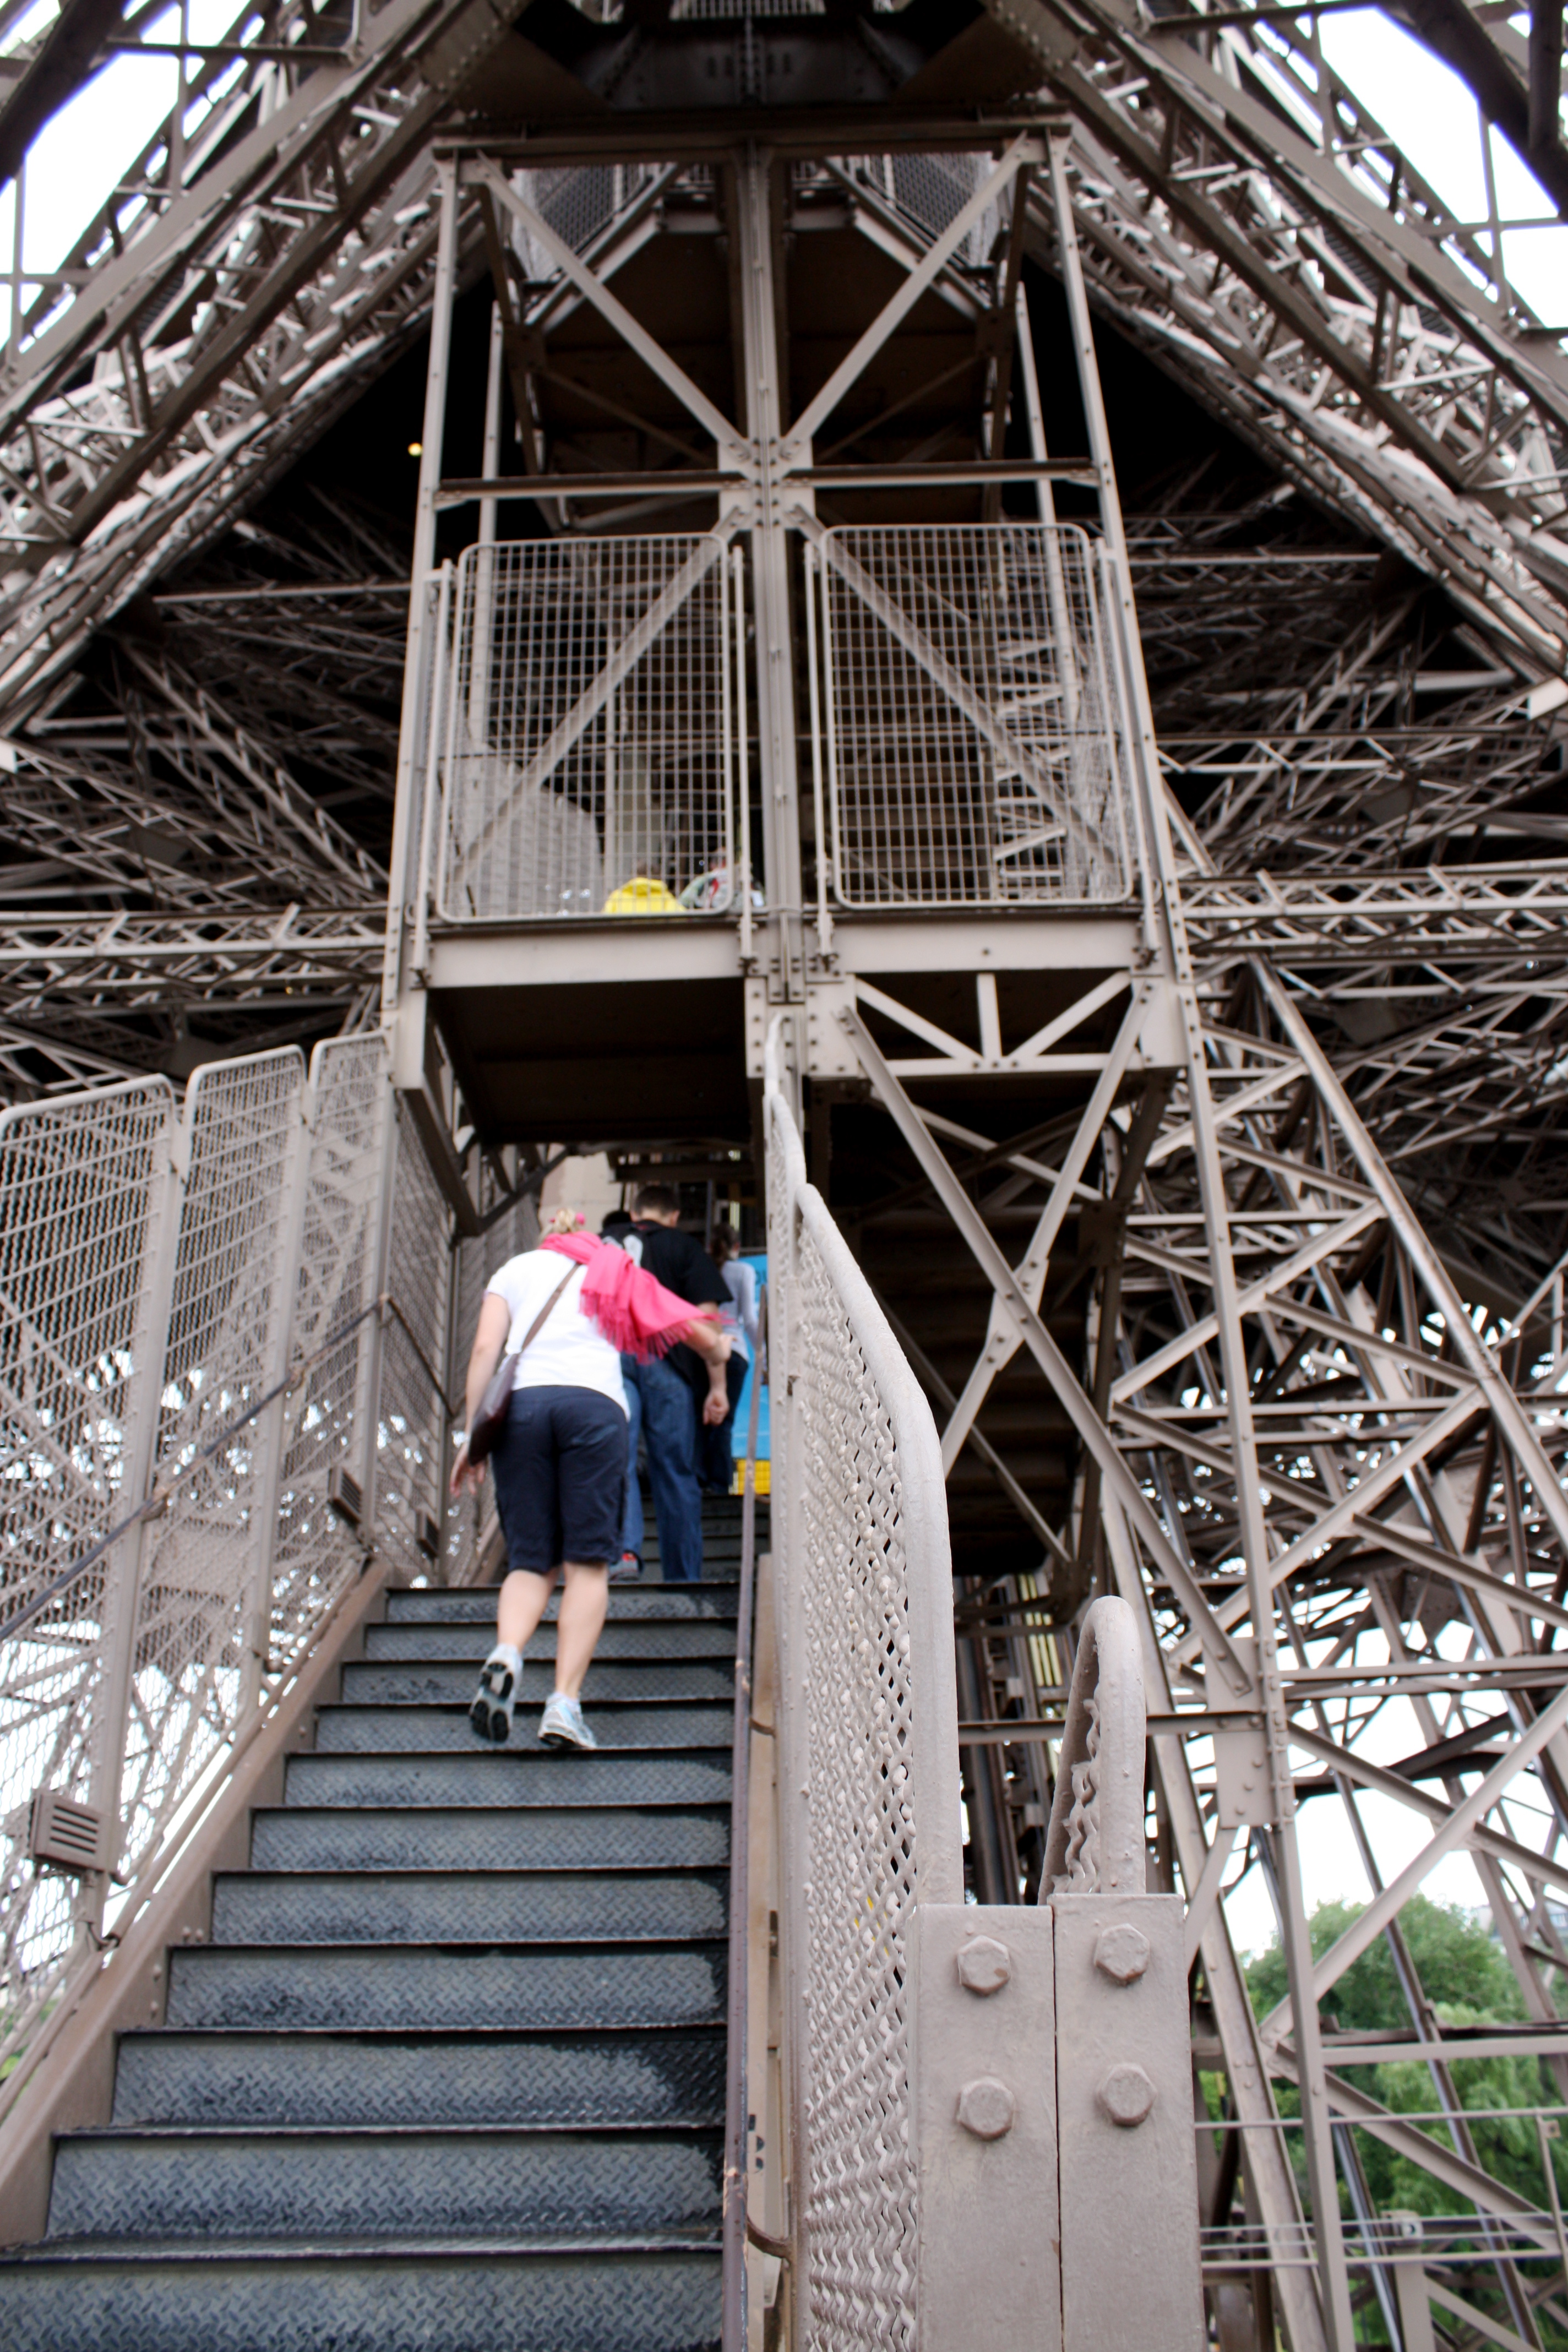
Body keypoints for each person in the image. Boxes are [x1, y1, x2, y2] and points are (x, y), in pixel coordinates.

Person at [451, 1208, 730, 1749]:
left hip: (523, 1413)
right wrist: (719, 1354)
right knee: (586, 1565)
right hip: (595, 1412)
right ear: (584, 1240)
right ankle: (563, 1704)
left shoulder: (513, 1271)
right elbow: (694, 1329)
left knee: (530, 1561)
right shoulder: (614, 1268)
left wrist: (471, 1438)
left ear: (545, 1241)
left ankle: (507, 1653)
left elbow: (486, 1351)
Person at [614, 1183, 727, 1584]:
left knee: (617, 1460)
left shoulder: (605, 1243)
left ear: (633, 1212)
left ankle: (624, 1553)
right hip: (669, 1364)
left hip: (611, 1363)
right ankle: (683, 1577)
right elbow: (709, 1321)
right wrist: (718, 1388)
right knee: (675, 1472)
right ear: (674, 1216)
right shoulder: (686, 1247)